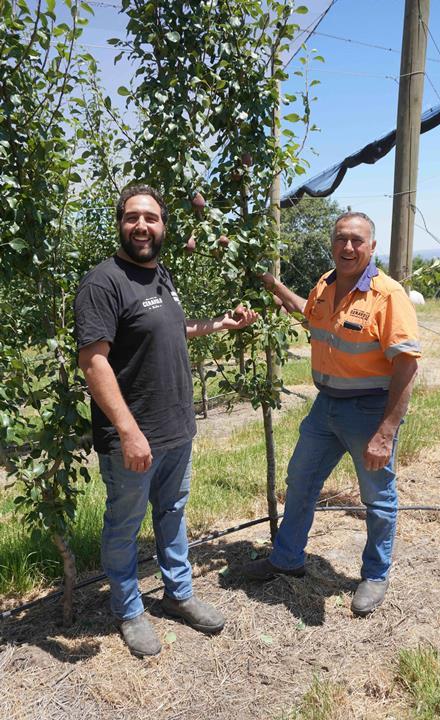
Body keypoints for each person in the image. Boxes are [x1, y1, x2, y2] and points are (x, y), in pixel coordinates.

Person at [75, 184, 257, 656]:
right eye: (132, 217)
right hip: (134, 439)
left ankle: (179, 594)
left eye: (151, 218)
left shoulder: (161, 276)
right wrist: (129, 431)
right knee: (124, 524)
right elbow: (94, 362)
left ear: (164, 226)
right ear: (119, 222)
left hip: (177, 429)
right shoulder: (103, 282)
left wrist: (220, 324)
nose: (141, 225)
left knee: (173, 515)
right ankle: (129, 609)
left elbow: (173, 328)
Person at [243, 211, 420, 616]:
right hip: (326, 408)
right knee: (301, 480)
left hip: (370, 410)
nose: (348, 247)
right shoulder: (325, 284)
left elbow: (407, 366)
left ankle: (375, 575)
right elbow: (310, 316)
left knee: (377, 498)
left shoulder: (387, 296)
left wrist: (385, 432)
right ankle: (287, 558)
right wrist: (274, 286)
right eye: (341, 239)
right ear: (332, 243)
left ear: (372, 247)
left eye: (358, 240)